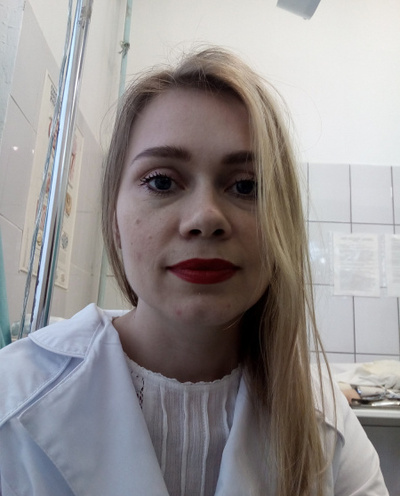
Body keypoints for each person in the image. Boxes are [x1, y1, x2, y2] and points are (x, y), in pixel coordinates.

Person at [0, 47, 388, 496]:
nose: (205, 217)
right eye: (162, 182)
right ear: (114, 219)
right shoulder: (13, 393)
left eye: (246, 186)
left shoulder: (326, 422)